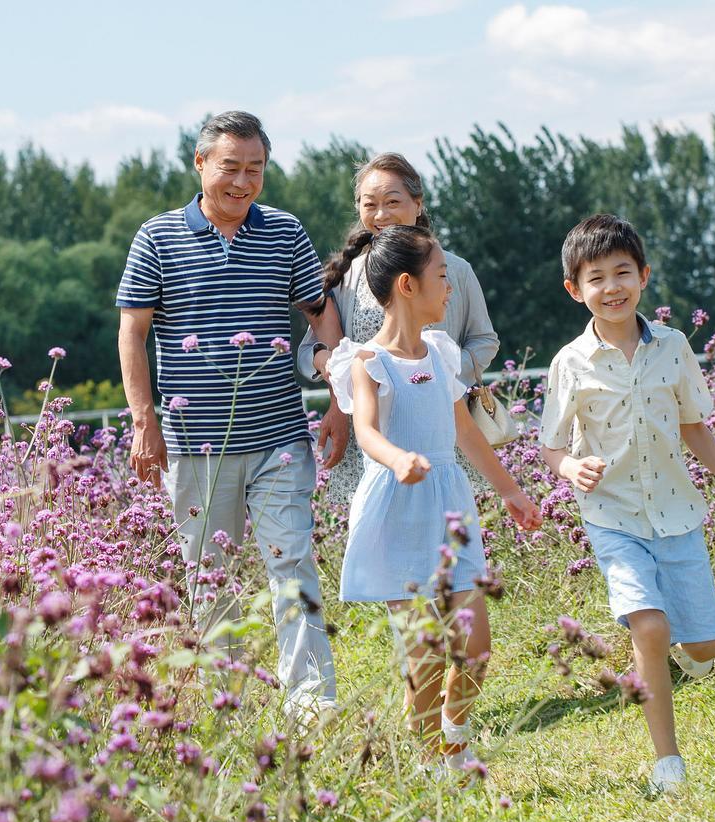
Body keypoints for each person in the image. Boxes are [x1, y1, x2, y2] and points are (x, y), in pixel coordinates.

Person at [116, 111, 346, 722]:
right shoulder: (156, 237)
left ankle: (311, 705)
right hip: (194, 445)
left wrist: (341, 400)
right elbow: (132, 333)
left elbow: (321, 315)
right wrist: (145, 420)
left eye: (256, 169)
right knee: (207, 577)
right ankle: (228, 708)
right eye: (231, 167)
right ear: (200, 165)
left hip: (278, 437)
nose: (243, 181)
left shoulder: (286, 233)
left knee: (292, 564)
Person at [539, 213, 715, 793]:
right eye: (596, 278)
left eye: (623, 272)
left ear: (643, 276)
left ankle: (668, 667)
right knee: (648, 624)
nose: (611, 287)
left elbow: (695, 427)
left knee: (703, 646)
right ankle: (668, 764)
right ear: (575, 289)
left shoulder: (673, 347)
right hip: (612, 517)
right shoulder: (570, 363)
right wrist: (571, 466)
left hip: (678, 514)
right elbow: (548, 447)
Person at [325, 224, 542, 775]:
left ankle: (455, 738)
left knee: (474, 646)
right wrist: (396, 458)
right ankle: (424, 761)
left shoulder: (441, 353)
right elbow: (367, 430)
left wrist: (511, 491)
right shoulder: (367, 360)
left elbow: (464, 429)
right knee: (421, 655)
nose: (450, 288)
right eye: (442, 277)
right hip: (396, 510)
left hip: (450, 507)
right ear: (407, 285)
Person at [297, 153, 499, 503]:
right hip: (370, 436)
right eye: (369, 204)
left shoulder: (454, 269)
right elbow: (308, 350)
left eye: (393, 202)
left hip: (440, 427)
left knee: (445, 536)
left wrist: (440, 375)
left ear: (418, 205)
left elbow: (485, 341)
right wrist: (331, 367)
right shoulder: (347, 275)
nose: (381, 215)